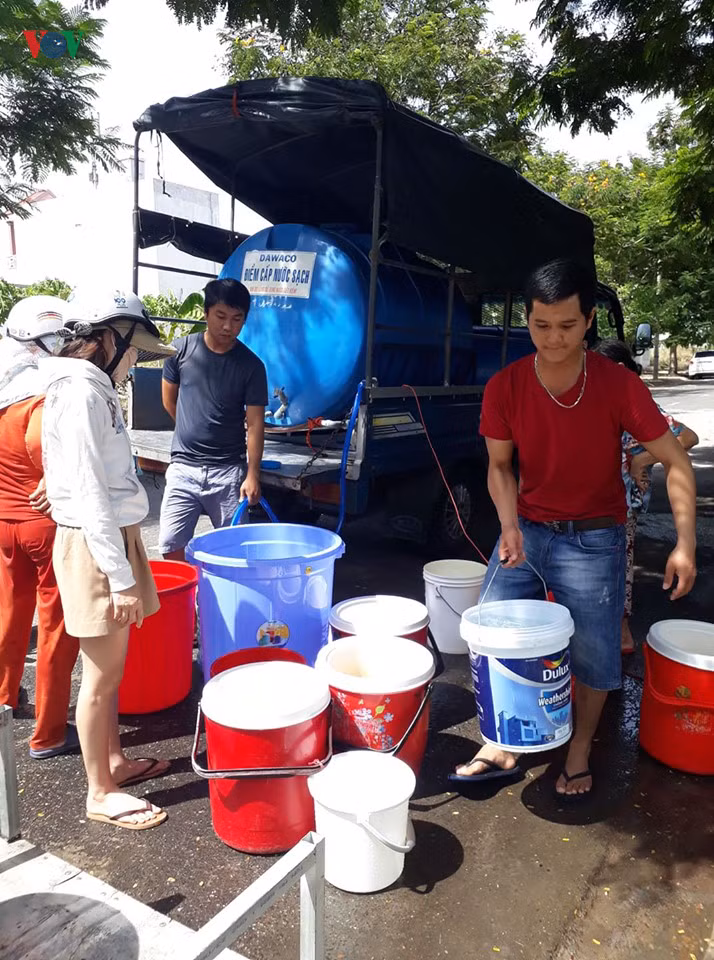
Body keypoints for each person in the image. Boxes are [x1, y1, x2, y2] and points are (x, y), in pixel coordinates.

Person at [453, 260, 697, 799]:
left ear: (588, 321)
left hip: (595, 538)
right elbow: (499, 467)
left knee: (594, 653)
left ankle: (580, 749)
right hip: (528, 531)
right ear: (529, 322)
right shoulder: (506, 386)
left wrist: (685, 543)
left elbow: (677, 461)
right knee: (497, 634)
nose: (554, 338)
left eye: (567, 326)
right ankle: (503, 740)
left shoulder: (618, 385)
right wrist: (508, 525)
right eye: (541, 326)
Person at [42, 289, 176, 830]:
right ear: (103, 340)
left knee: (112, 670)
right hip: (98, 544)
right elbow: (90, 493)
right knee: (99, 676)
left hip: (111, 538)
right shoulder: (81, 393)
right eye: (134, 349)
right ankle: (99, 792)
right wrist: (119, 578)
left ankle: (115, 762)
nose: (137, 361)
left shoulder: (91, 390)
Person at [0, 296, 80, 758]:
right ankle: (49, 733)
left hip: (6, 523)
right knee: (55, 627)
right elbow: (53, 458)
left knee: (10, 615)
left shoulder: (4, 386)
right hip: (45, 529)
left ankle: (5, 698)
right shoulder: (47, 395)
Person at [593, 339, 699, 653]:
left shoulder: (636, 403)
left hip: (620, 506)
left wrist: (644, 458)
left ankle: (622, 634)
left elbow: (687, 436)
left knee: (616, 570)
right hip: (592, 505)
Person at [159, 278, 268, 561]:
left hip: (228, 473)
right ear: (206, 313)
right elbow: (169, 401)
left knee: (235, 551)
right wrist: (191, 427)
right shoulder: (179, 352)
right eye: (220, 316)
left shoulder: (252, 366)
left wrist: (252, 474)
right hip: (183, 468)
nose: (228, 326)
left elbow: (255, 424)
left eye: (237, 319)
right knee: (171, 546)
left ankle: (224, 603)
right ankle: (186, 601)